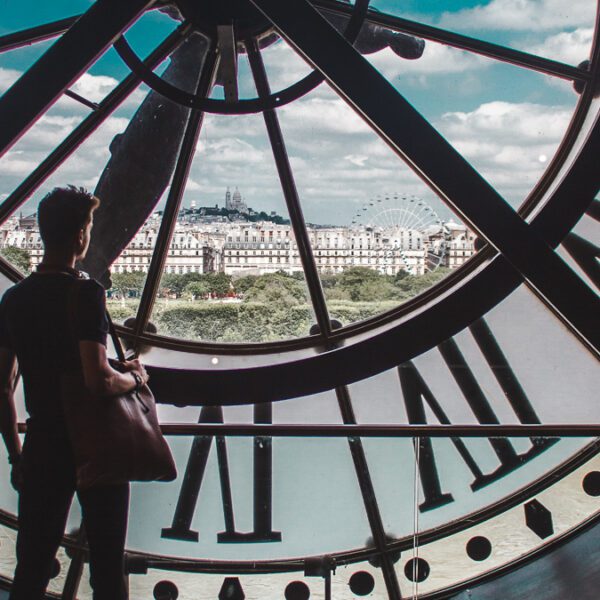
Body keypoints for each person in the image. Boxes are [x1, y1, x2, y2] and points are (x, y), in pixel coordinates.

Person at [0, 186, 149, 599]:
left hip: (43, 445)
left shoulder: (14, 299)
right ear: (81, 235)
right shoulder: (86, 294)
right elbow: (97, 379)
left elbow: (2, 386)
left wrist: (16, 454)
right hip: (95, 446)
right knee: (106, 570)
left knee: (30, 566)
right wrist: (136, 379)